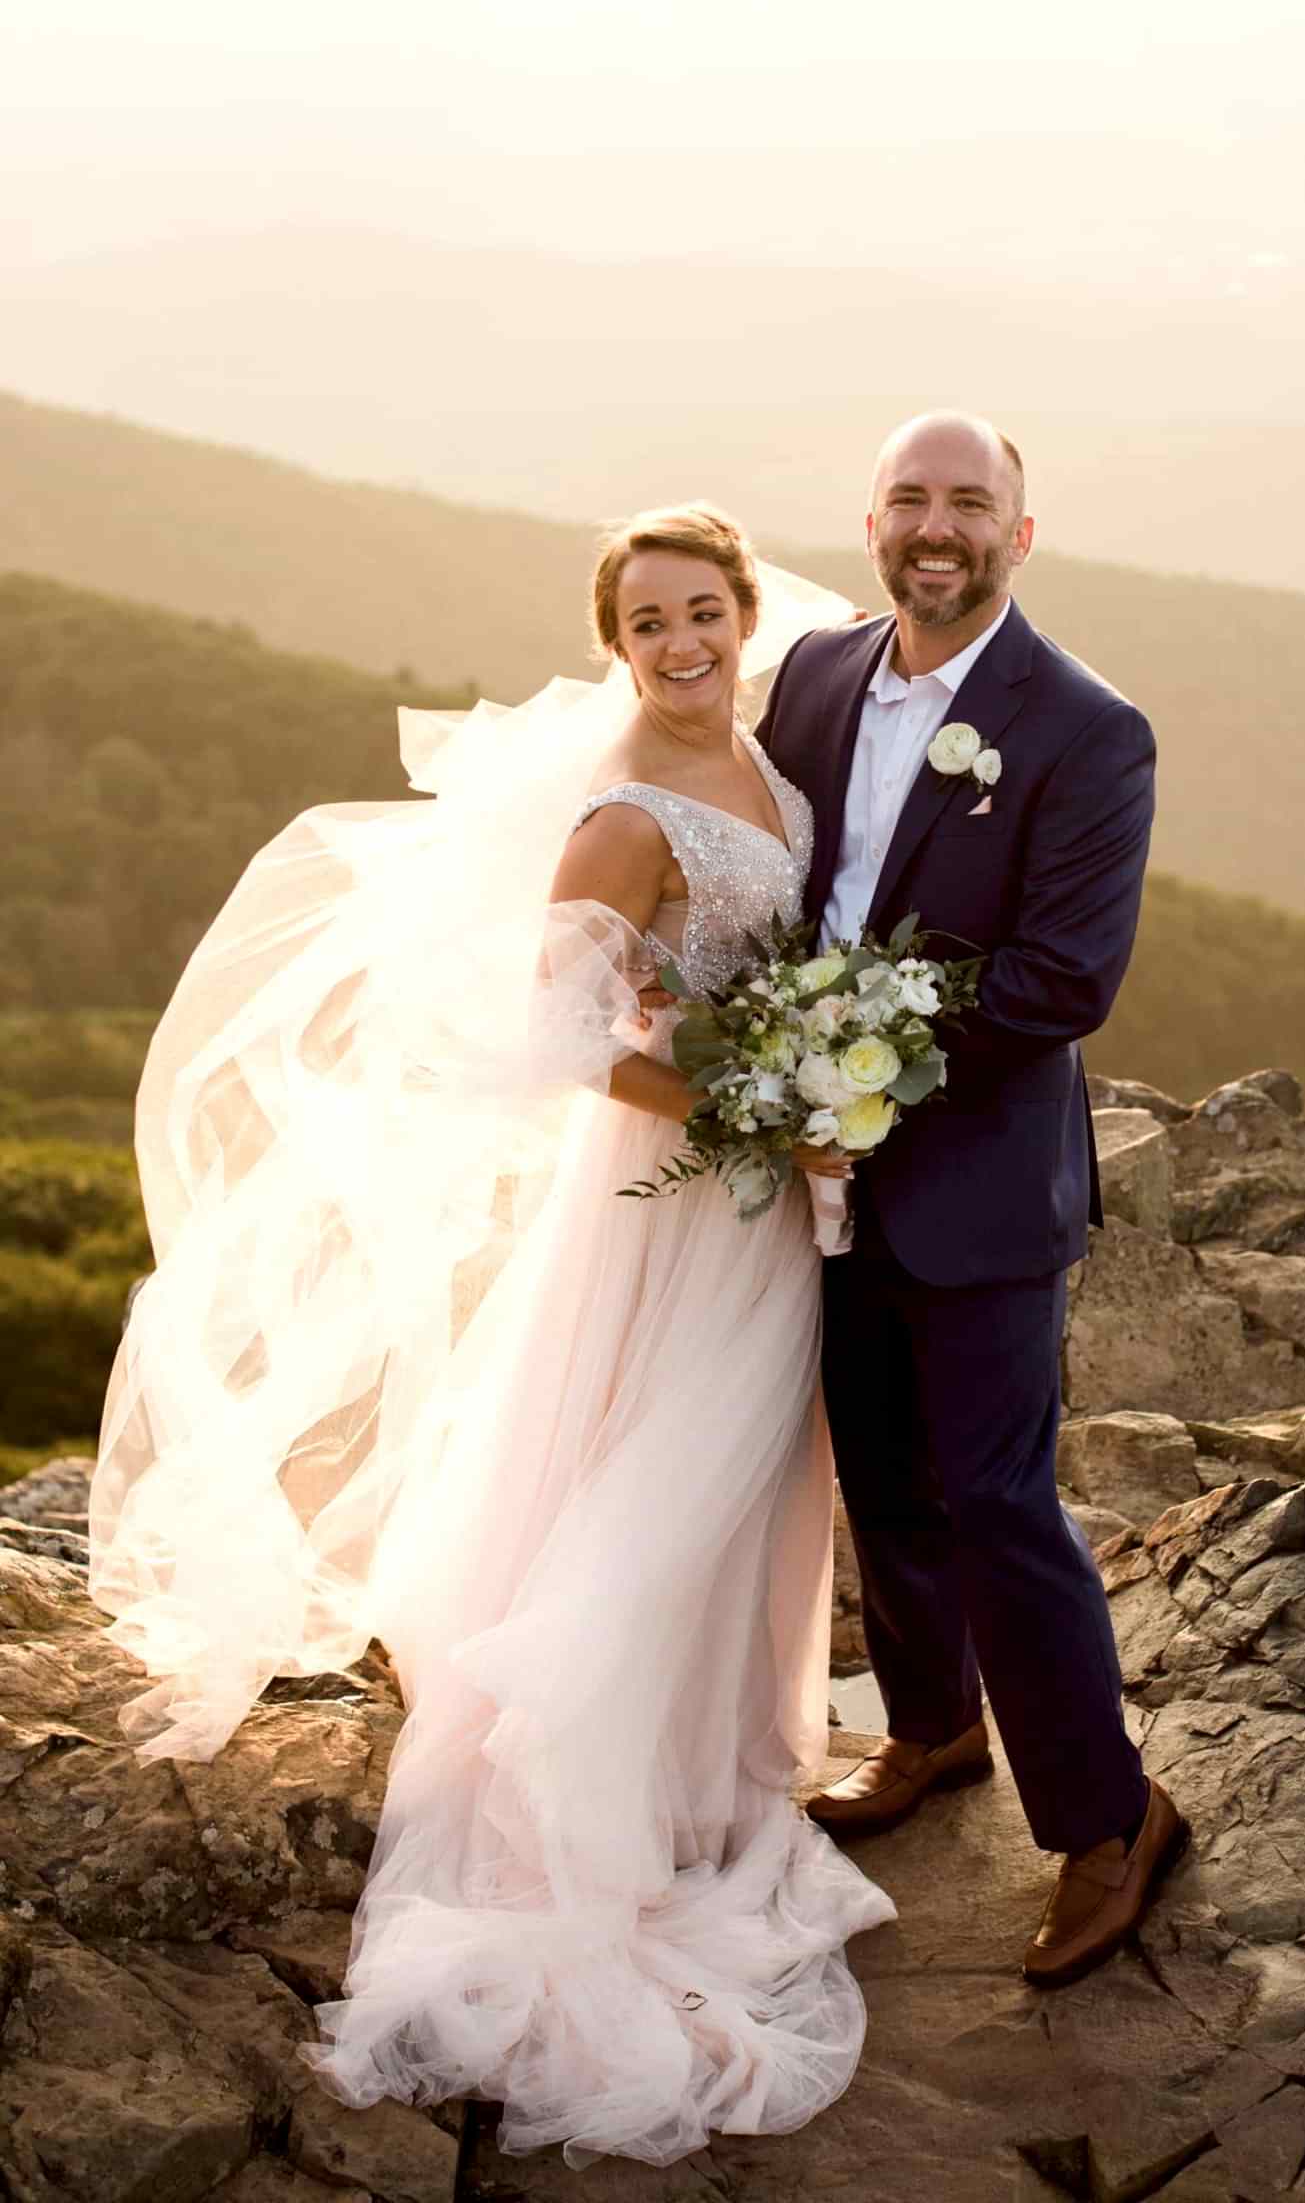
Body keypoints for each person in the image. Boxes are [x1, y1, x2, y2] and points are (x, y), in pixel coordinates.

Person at [87, 510, 892, 2167]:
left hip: (759, 1200)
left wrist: (814, 1089)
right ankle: (598, 1806)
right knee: (653, 1469)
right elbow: (567, 1038)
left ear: (748, 616)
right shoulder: (618, 817)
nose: (681, 644)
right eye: (648, 623)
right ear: (615, 646)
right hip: (675, 1188)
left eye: (703, 611)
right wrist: (764, 1102)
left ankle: (707, 1774)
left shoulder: (779, 781)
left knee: (740, 1478)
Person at [755, 411, 1189, 1988]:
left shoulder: (1086, 726)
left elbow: (1063, 982)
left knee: (1002, 1504)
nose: (937, 528)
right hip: (818, 1177)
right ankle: (931, 1730)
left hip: (981, 1185)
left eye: (970, 505)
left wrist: (846, 1062)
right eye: (910, 499)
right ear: (872, 518)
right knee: (882, 1469)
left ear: (1022, 530)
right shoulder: (812, 673)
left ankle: (1107, 1821)